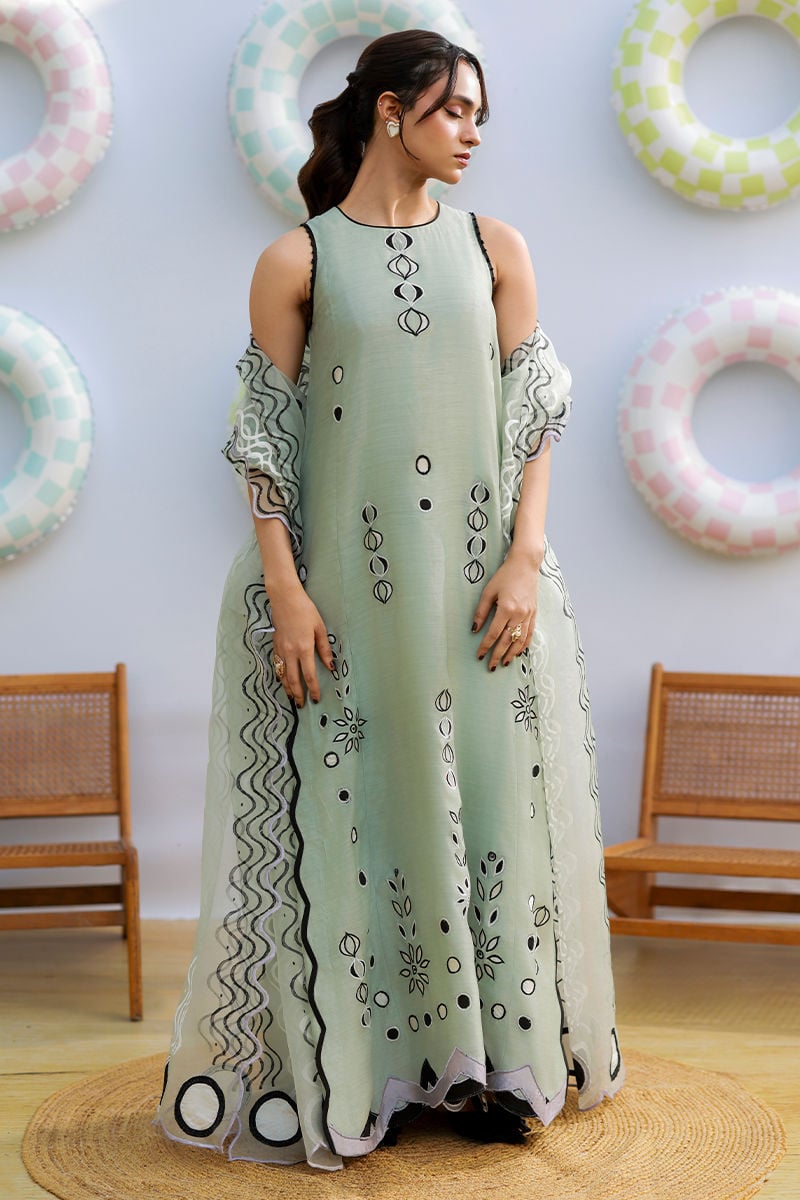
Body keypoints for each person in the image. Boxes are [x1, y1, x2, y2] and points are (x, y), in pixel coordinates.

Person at [155, 29, 623, 1171]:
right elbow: (263, 441)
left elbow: (535, 414)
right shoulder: (296, 261)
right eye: (454, 110)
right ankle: (366, 1075)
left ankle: (489, 1072)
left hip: (481, 600)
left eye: (479, 117)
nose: (471, 134)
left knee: (493, 817)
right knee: (361, 821)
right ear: (388, 110)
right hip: (345, 608)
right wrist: (285, 592)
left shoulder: (494, 246)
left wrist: (525, 557)